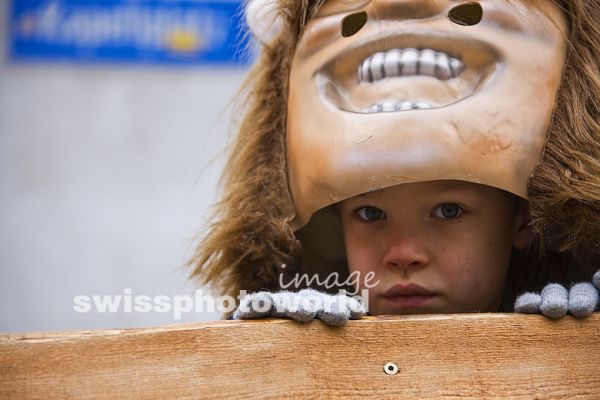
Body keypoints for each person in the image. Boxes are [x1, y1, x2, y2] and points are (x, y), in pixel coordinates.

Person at [190, 0, 600, 325]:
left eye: (448, 210)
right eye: (370, 213)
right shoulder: (299, 324)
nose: (402, 254)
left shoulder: (574, 332)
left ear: (523, 220)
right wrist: (274, 363)